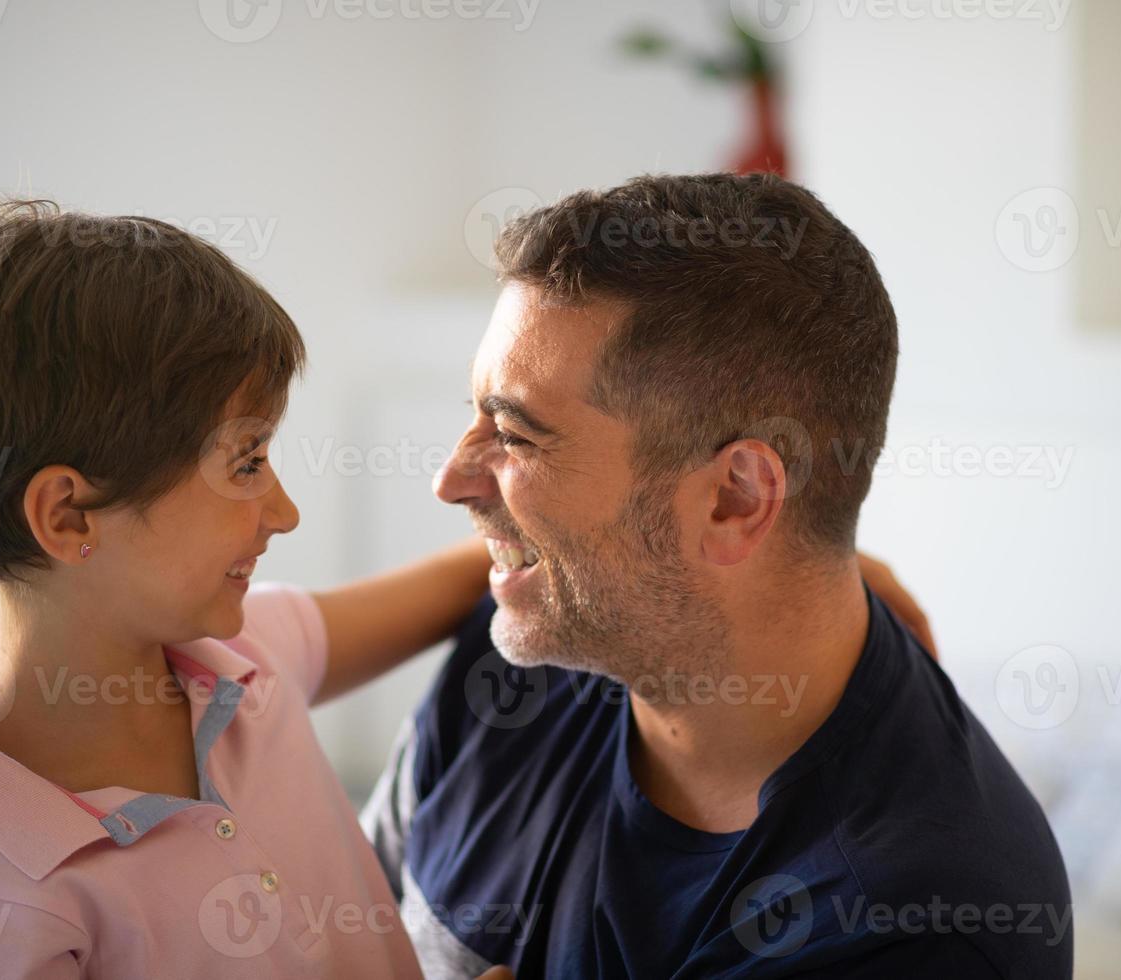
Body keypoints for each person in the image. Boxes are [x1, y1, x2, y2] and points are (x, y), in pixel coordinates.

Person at [363, 173, 1073, 978]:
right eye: (476, 414)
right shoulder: (514, 668)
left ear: (736, 498)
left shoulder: (914, 924)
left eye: (517, 437)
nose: (451, 480)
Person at [0, 200, 498, 978]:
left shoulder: (246, 651)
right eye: (246, 464)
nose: (284, 513)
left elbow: (478, 579)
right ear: (66, 515)